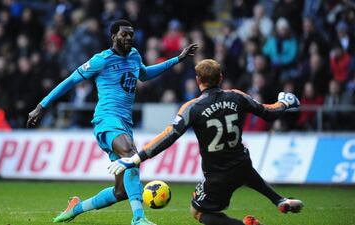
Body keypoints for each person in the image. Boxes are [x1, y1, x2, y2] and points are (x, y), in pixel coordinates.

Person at [26, 19, 198, 225]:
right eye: (124, 34)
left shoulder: (134, 56)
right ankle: (138, 218)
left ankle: (76, 208)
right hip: (106, 119)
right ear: (113, 36)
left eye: (131, 35)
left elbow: (144, 74)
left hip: (125, 123)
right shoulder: (101, 60)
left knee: (121, 191)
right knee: (131, 154)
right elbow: (71, 80)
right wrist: (41, 106)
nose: (128, 38)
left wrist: (177, 59)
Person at [108, 59, 304, 225]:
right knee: (247, 174)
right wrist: (285, 102)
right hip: (241, 161)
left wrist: (136, 158)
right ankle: (279, 200)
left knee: (199, 212)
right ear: (220, 78)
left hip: (217, 174)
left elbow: (169, 136)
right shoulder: (237, 96)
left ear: (198, 80)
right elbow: (268, 113)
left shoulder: (193, 107)